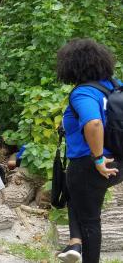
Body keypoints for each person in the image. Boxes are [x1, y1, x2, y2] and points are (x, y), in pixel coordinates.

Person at [57, 38, 123, 263]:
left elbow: (93, 123)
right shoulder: (114, 85)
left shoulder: (83, 92)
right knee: (76, 197)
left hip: (91, 164)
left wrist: (97, 158)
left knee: (90, 221)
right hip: (119, 160)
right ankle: (75, 243)